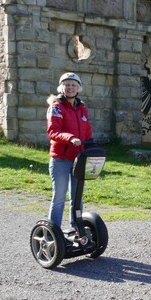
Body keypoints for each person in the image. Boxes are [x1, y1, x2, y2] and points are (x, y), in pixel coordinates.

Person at [47, 72, 93, 231]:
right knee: (59, 198)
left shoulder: (82, 108)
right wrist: (70, 138)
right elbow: (53, 131)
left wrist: (91, 146)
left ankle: (76, 228)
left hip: (78, 159)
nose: (70, 87)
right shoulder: (56, 107)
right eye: (67, 84)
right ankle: (54, 232)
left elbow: (87, 132)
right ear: (61, 88)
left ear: (79, 88)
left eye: (73, 85)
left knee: (77, 197)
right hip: (61, 159)